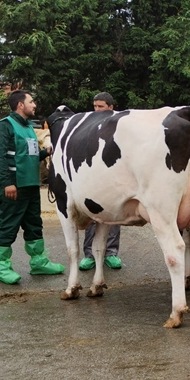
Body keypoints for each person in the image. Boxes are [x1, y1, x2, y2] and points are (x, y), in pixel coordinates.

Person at [0, 90, 65, 284]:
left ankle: (39, 262)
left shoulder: (29, 127)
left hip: (31, 184)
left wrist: (46, 152)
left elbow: (28, 154)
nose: (34, 105)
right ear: (20, 105)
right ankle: (3, 266)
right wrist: (7, 183)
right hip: (14, 185)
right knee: (8, 225)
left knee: (34, 224)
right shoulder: (4, 126)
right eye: (31, 102)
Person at [79, 92, 123, 270]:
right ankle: (90, 254)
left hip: (114, 177)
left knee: (113, 216)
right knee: (92, 215)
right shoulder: (88, 125)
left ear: (111, 108)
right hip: (93, 177)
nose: (96, 110)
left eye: (101, 106)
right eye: (95, 106)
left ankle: (111, 253)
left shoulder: (121, 125)